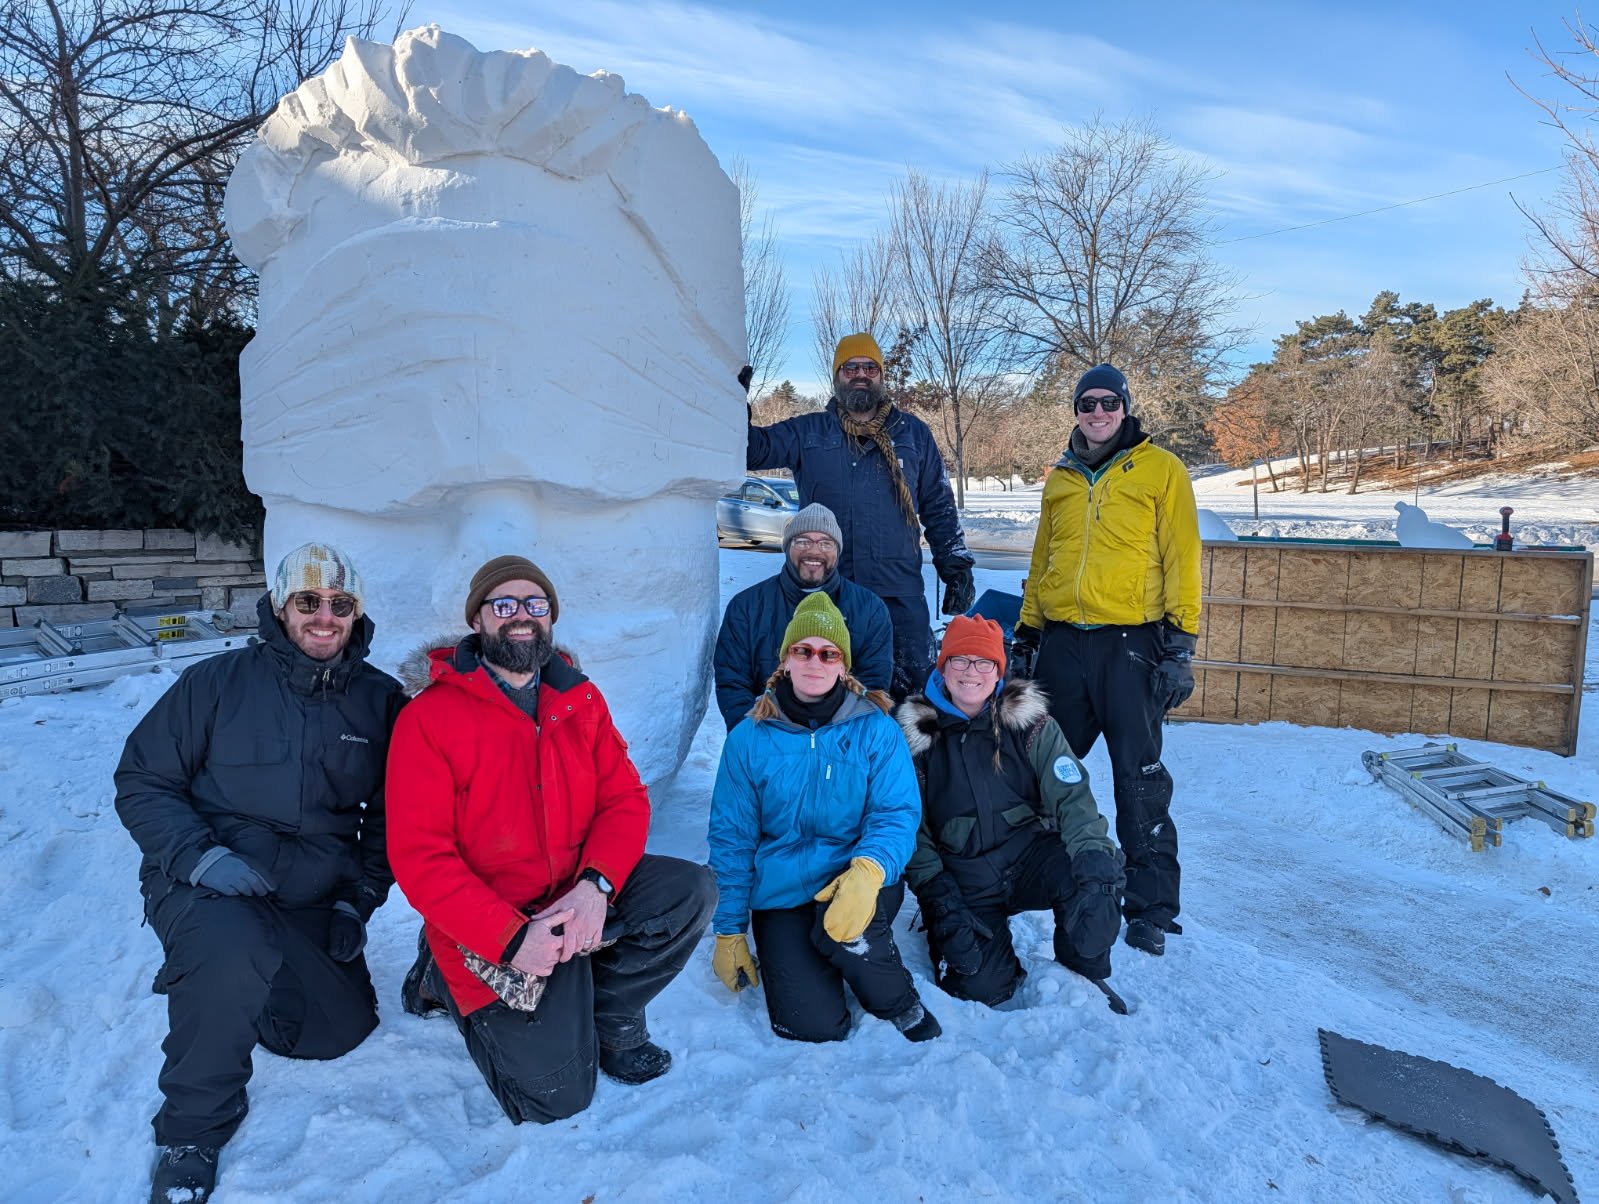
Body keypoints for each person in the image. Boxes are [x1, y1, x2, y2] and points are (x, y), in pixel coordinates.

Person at [114, 543, 405, 1204]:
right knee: (231, 949)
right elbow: (142, 781)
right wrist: (199, 856)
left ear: (356, 614)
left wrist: (356, 903)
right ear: (281, 606)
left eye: (340, 604)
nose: (323, 617)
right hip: (205, 876)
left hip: (308, 892)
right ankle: (191, 1134)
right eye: (308, 601)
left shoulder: (381, 702)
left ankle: (248, 983)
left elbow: (390, 821)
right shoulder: (213, 684)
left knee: (335, 1033)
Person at [385, 555, 715, 1125]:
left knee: (690, 891)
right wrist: (512, 940)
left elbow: (625, 800)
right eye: (504, 604)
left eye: (535, 605)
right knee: (557, 1097)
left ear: (549, 618)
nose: (521, 616)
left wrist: (597, 884)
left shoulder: (579, 701)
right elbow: (420, 858)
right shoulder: (429, 719)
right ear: (477, 621)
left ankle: (608, 1015)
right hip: (494, 919)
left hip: (572, 896)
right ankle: (439, 975)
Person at [1012, 363, 1202, 958]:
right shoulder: (1061, 478)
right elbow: (1045, 556)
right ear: (1075, 411)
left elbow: (1182, 556)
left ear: (1124, 408)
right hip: (1064, 643)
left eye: (1108, 403)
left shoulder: (1160, 469)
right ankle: (1028, 878)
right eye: (1087, 404)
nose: (1097, 413)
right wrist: (1027, 629)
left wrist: (1181, 642)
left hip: (1132, 645)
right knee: (1041, 765)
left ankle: (1150, 907)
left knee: (1137, 777)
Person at [708, 592, 941, 1044]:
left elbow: (896, 813)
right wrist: (729, 928)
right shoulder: (749, 739)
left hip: (858, 876)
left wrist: (870, 869)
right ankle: (820, 961)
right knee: (811, 1026)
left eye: (828, 652)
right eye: (803, 650)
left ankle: (897, 1000)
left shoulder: (875, 728)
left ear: (843, 665)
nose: (815, 661)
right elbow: (732, 837)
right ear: (785, 660)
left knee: (841, 934)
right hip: (783, 889)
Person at [896, 616, 1126, 1011]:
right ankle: (963, 945)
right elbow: (909, 828)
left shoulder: (1032, 724)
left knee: (1093, 872)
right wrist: (936, 894)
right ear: (943, 666)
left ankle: (1082, 970)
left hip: (1029, 858)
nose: (972, 672)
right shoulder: (913, 738)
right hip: (965, 877)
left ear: (999, 670)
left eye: (984, 662)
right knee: (979, 987)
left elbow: (1072, 797)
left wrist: (1093, 858)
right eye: (960, 660)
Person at [745, 333, 975, 698]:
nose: (861, 375)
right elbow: (752, 450)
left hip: (899, 595)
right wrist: (732, 402)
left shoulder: (912, 434)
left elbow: (938, 505)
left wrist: (955, 566)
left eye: (870, 367)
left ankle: (905, 758)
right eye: (850, 367)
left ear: (882, 376)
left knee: (912, 700)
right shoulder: (809, 432)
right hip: (830, 594)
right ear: (837, 376)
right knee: (829, 694)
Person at [713, 501, 893, 731]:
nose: (814, 551)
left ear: (837, 552)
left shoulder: (869, 609)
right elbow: (733, 682)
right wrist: (754, 738)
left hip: (840, 746)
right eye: (803, 541)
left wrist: (833, 743)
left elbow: (873, 680)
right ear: (787, 546)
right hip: (767, 745)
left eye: (826, 543)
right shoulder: (746, 607)